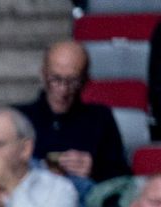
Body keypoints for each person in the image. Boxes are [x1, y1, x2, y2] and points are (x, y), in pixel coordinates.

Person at [17, 41, 130, 197]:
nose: (63, 90)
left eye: (73, 81)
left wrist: (94, 169)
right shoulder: (18, 117)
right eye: (56, 79)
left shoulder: (100, 118)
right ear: (43, 75)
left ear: (85, 81)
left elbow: (122, 180)